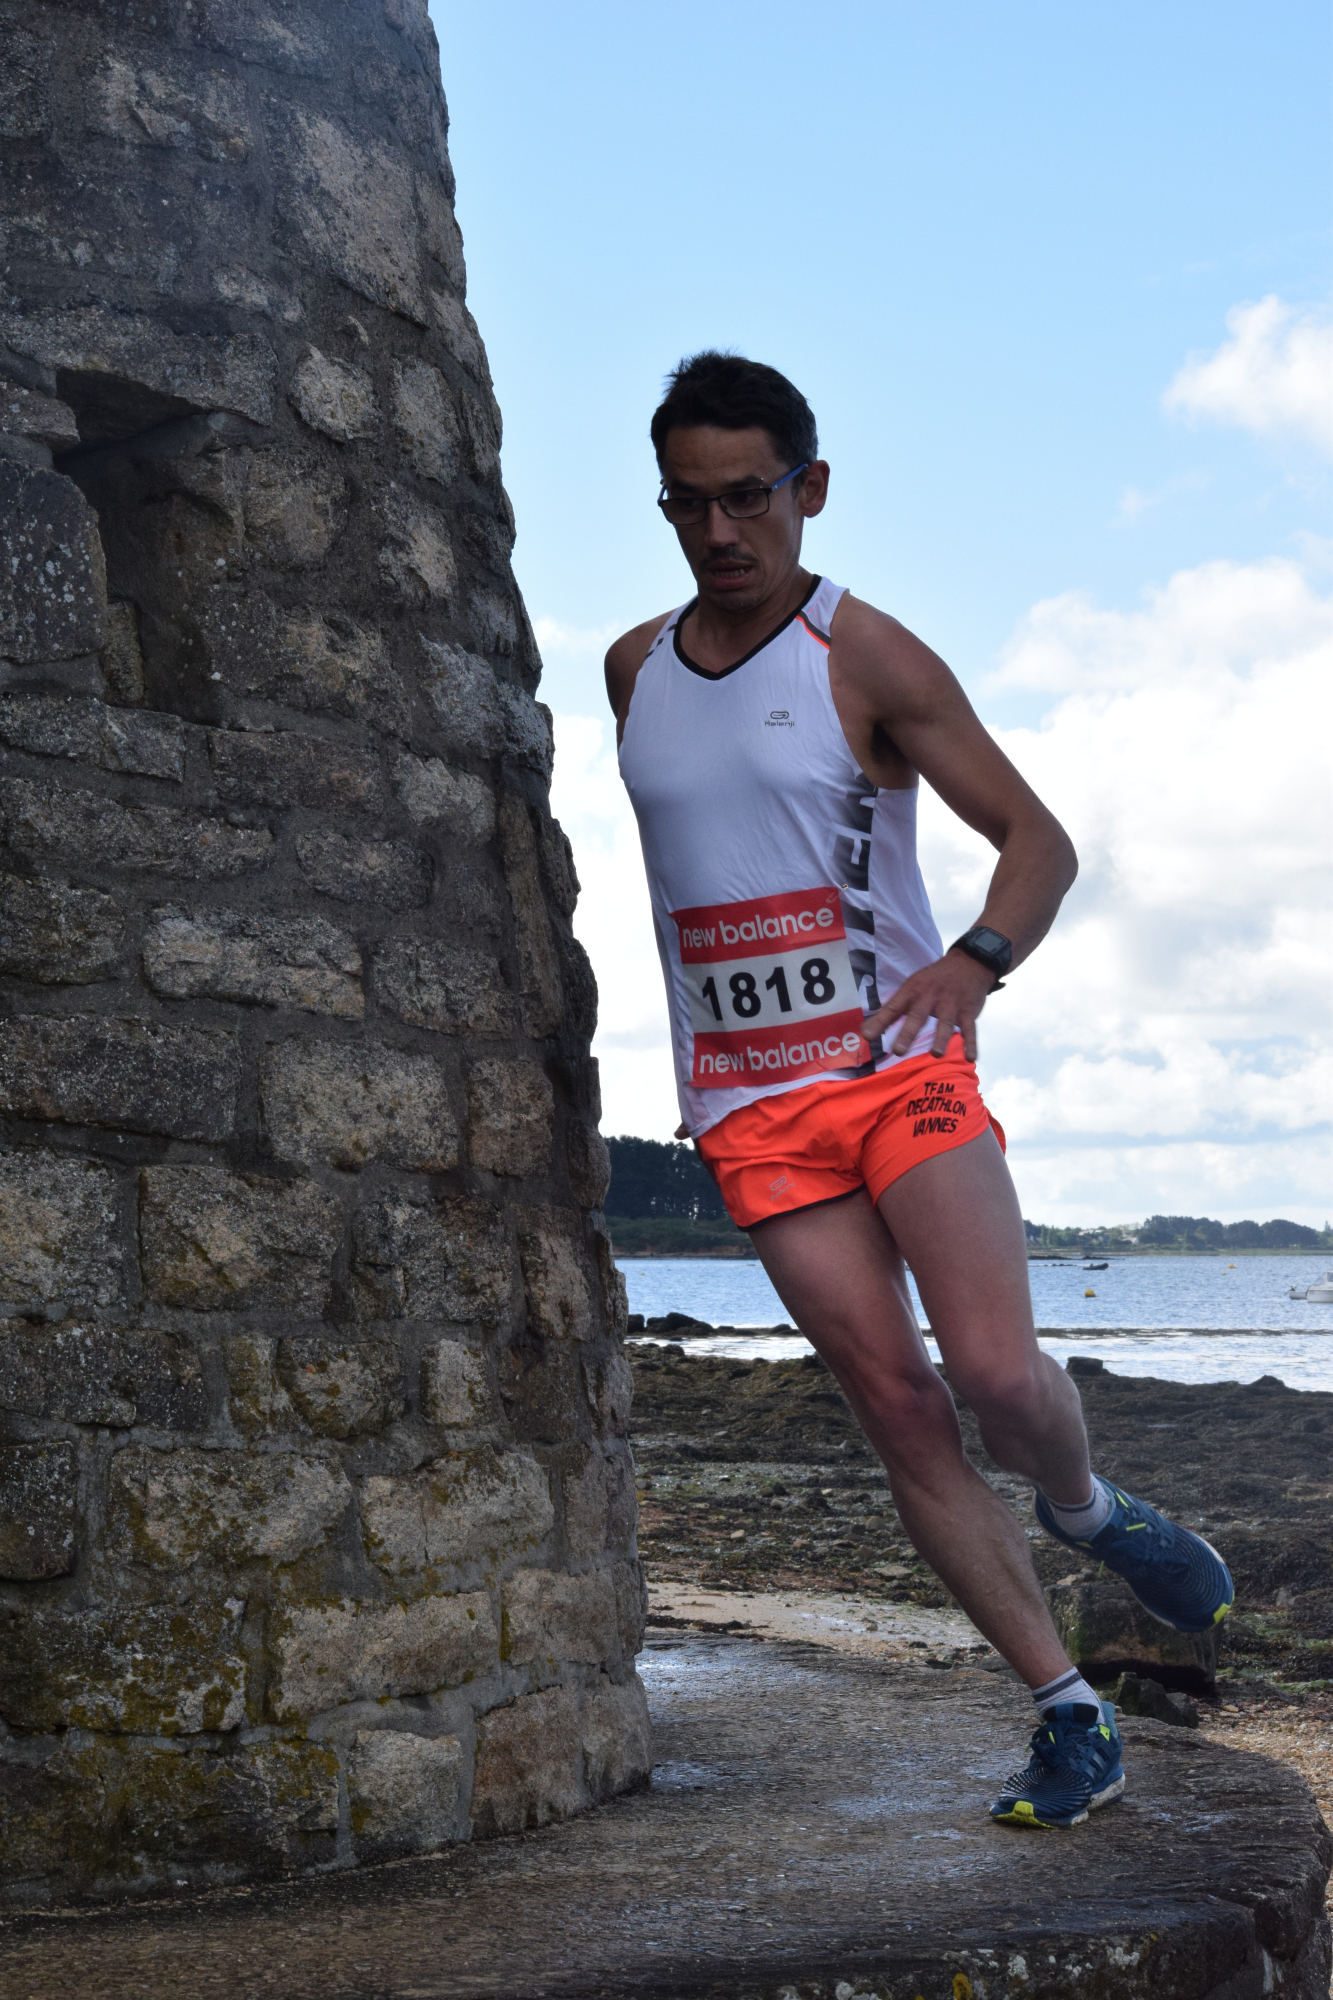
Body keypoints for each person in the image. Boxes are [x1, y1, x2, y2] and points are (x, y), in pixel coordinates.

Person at [605, 351, 1233, 1830]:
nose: (719, 532)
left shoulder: (864, 654)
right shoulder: (633, 667)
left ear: (809, 489)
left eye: (748, 497)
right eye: (687, 504)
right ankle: (1067, 1712)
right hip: (751, 1109)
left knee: (998, 1380)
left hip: (897, 1074)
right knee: (898, 1407)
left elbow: (1037, 839)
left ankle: (1087, 1509)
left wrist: (974, 961)